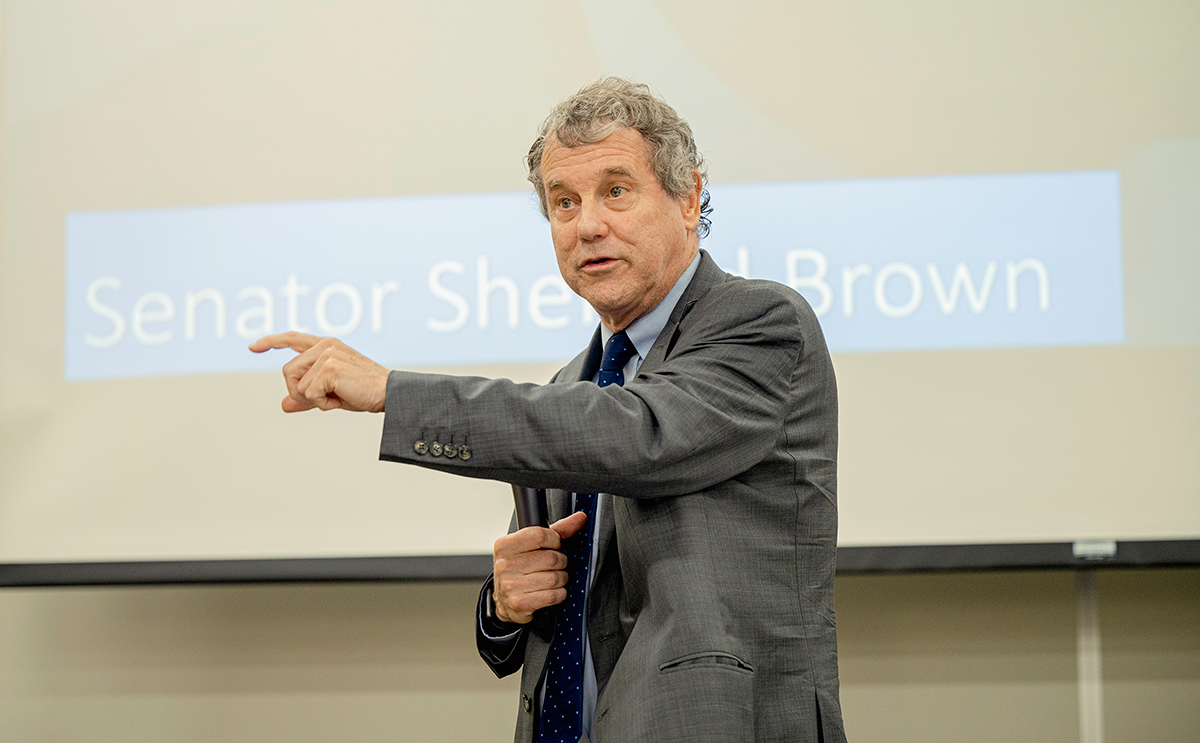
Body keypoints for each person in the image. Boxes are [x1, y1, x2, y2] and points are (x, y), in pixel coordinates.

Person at [252, 78, 845, 743]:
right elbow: (544, 615)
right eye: (564, 202)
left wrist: (396, 391)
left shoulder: (761, 322)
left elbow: (638, 436)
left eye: (615, 191)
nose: (588, 223)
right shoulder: (575, 381)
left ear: (688, 198)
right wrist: (505, 604)